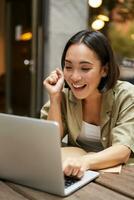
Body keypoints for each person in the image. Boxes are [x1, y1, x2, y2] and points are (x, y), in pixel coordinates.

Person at [41, 29, 134, 179]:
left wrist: (83, 162)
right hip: (76, 176)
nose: (74, 77)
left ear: (104, 70)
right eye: (68, 67)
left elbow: (123, 150)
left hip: (120, 179)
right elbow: (49, 142)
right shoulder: (63, 95)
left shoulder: (127, 95)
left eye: (85, 68)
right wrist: (54, 98)